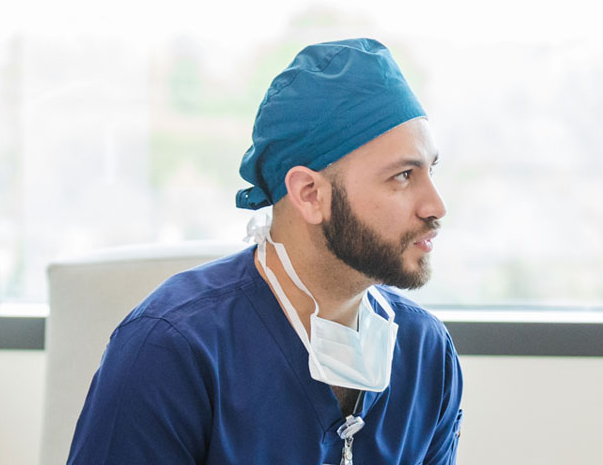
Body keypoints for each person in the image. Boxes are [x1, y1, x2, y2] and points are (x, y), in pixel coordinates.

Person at [67, 38, 462, 464]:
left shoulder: (426, 354)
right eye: (403, 175)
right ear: (310, 195)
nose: (436, 206)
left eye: (430, 170)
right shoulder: (171, 352)